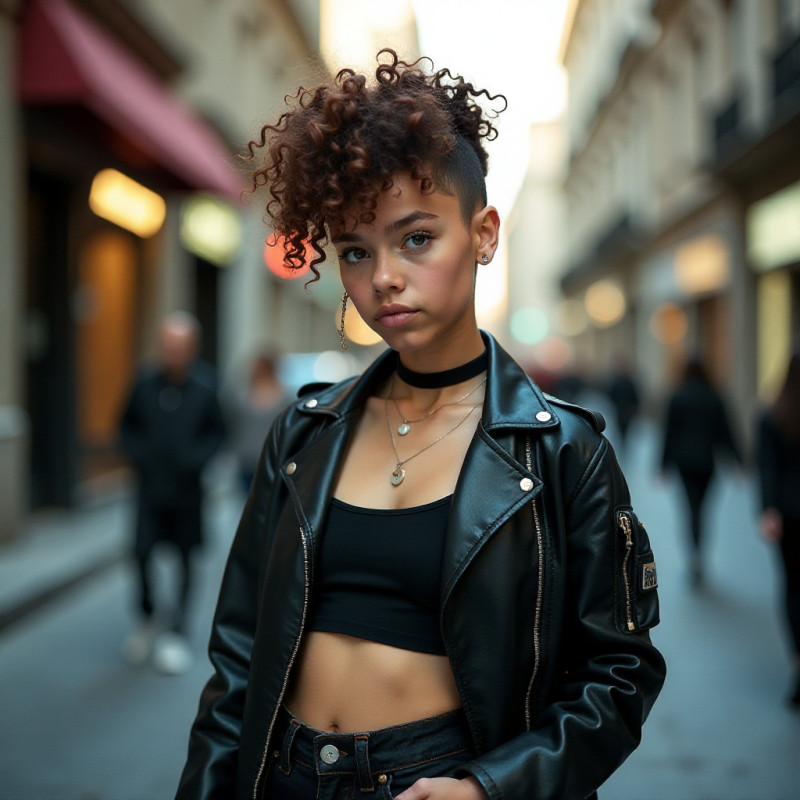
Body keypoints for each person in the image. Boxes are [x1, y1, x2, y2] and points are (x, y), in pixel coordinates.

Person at [176, 50, 665, 800]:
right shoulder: (305, 434)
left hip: (436, 782)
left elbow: (619, 675)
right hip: (286, 777)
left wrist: (488, 788)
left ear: (485, 234)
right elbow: (238, 661)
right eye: (354, 252)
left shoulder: (564, 451)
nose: (383, 279)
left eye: (415, 238)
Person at [119, 311, 226, 675]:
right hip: (149, 491)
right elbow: (125, 425)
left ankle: (177, 632)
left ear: (192, 348)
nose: (173, 353)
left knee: (185, 559)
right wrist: (140, 457)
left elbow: (217, 433)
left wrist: (196, 460)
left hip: (187, 493)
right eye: (168, 345)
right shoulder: (145, 383)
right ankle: (148, 616)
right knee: (140, 553)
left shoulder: (206, 386)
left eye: (180, 346)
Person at [661, 356, 741, 586]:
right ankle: (700, 551)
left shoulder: (677, 397)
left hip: (684, 464)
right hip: (707, 463)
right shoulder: (714, 397)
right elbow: (727, 432)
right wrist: (738, 461)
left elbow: (669, 434)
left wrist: (663, 465)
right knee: (703, 510)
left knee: (690, 509)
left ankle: (693, 555)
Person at [757, 351, 800, 708]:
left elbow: (767, 468)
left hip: (790, 514)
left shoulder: (773, 415)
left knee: (793, 588)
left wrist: (768, 510)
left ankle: (798, 660)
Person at [226, 349, 288, 496]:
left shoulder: (285, 396)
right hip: (247, 460)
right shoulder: (242, 394)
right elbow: (233, 424)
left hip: (274, 459)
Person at [607, 355, 640, 448]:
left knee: (624, 429)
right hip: (622, 410)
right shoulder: (622, 382)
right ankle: (623, 443)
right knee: (622, 429)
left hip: (625, 410)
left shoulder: (627, 383)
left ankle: (623, 443)